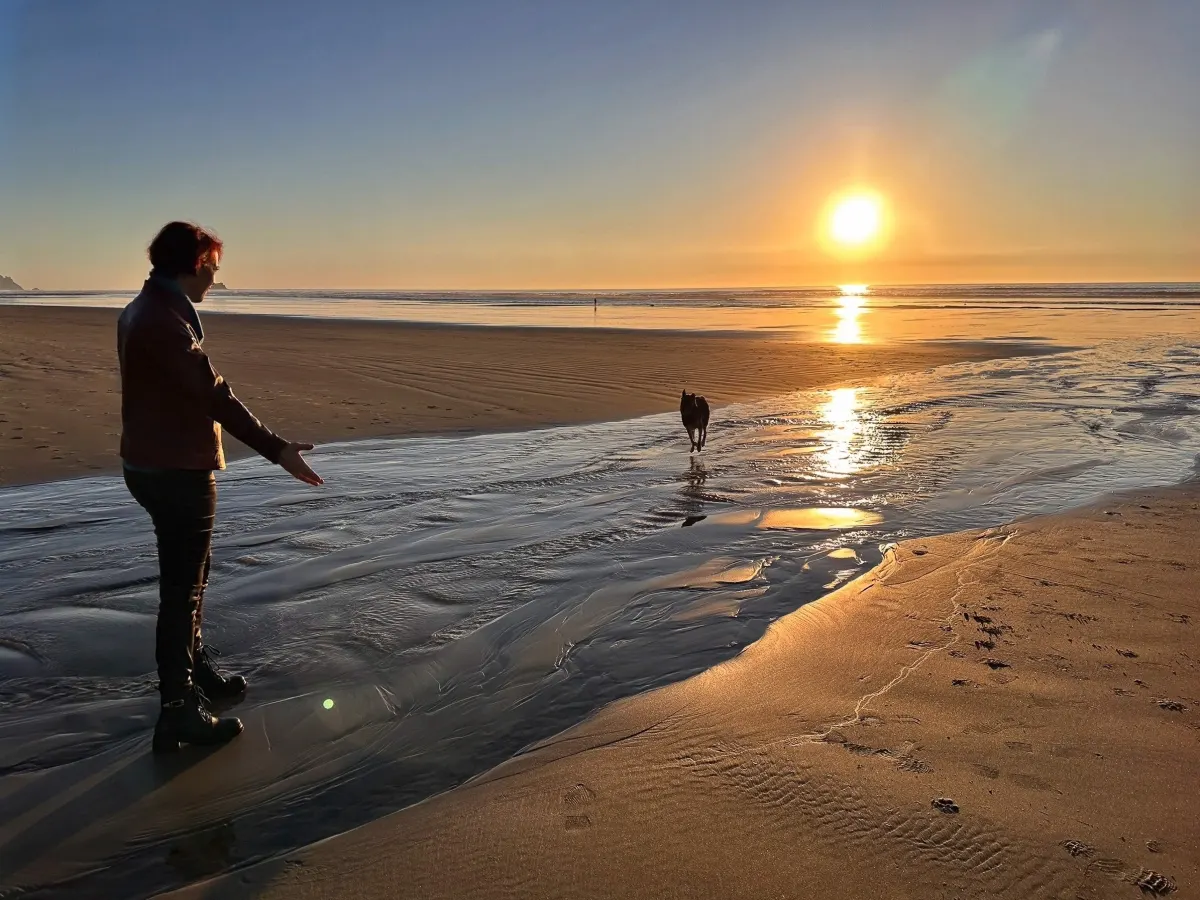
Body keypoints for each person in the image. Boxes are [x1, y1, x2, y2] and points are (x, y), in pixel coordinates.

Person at [118, 221, 323, 753]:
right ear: (192, 265)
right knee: (182, 590)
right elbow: (214, 394)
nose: (214, 276)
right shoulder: (163, 323)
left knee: (192, 578)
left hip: (151, 463)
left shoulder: (144, 310)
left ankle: (196, 671)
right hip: (175, 469)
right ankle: (178, 709)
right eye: (211, 266)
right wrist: (277, 449)